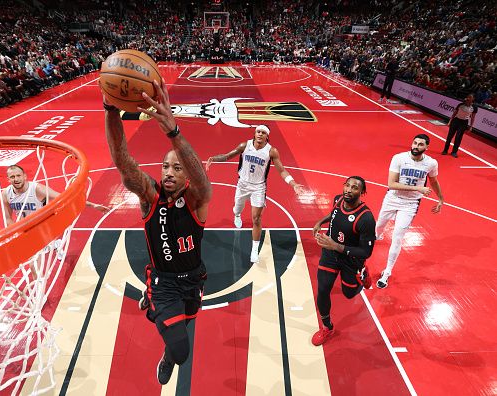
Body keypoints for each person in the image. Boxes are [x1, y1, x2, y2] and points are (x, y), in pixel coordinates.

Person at [104, 79, 212, 386]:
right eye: (166, 166)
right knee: (180, 351)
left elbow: (203, 182)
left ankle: (162, 331)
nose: (168, 172)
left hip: (193, 278)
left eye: (177, 168)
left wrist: (173, 131)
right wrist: (110, 109)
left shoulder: (196, 199)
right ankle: (163, 338)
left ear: (187, 174)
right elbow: (123, 162)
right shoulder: (149, 196)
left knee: (185, 326)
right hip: (163, 282)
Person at [205, 125, 303, 263]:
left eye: (263, 132)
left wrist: (293, 184)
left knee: (256, 219)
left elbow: (281, 170)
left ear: (267, 136)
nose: (260, 134)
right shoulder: (244, 145)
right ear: (255, 133)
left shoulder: (272, 151)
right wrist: (214, 159)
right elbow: (228, 156)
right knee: (238, 208)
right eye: (258, 131)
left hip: (258, 187)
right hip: (242, 184)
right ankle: (237, 214)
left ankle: (254, 250)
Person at [311, 176, 376, 346]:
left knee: (349, 294)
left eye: (354, 187)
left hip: (351, 258)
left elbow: (366, 251)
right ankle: (327, 327)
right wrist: (320, 221)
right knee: (323, 289)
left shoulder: (366, 218)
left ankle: (363, 275)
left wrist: (337, 246)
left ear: (362, 192)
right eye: (347, 185)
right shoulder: (338, 200)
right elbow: (333, 213)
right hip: (330, 253)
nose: (348, 189)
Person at [376, 134, 444, 289]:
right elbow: (392, 184)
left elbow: (433, 180)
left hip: (410, 203)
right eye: (414, 143)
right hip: (392, 198)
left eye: (420, 144)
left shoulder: (431, 163)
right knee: (379, 225)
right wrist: (418, 188)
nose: (416, 146)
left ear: (426, 147)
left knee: (397, 237)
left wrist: (440, 199)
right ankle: (377, 235)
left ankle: (387, 272)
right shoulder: (399, 158)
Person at [442, 94, 477, 158]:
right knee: (450, 136)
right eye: (468, 97)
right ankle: (445, 150)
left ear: (473, 99)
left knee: (458, 137)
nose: (468, 98)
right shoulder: (460, 105)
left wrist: (471, 126)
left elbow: (473, 117)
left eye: (470, 97)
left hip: (464, 123)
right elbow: (454, 113)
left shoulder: (474, 108)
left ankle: (454, 152)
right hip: (456, 121)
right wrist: (450, 121)